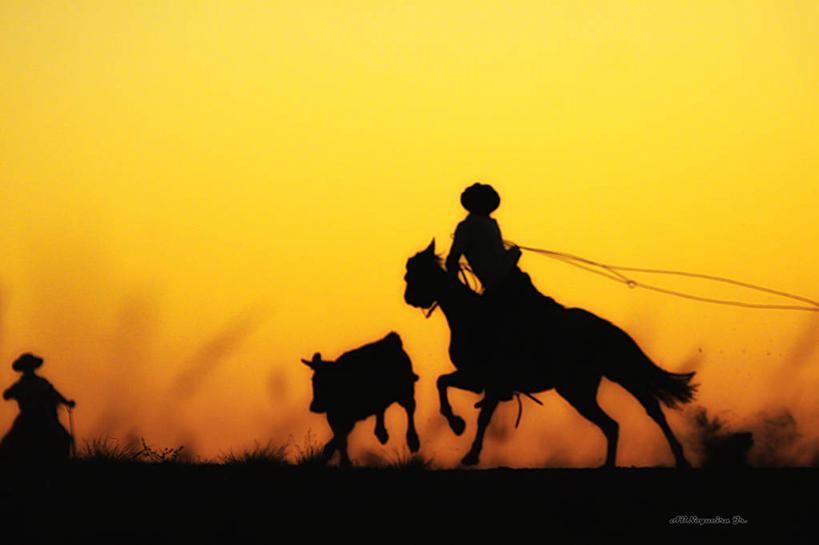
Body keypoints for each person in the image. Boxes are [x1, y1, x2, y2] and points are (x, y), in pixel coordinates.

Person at [445, 184, 564, 398]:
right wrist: (513, 255)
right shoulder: (488, 225)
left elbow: (454, 260)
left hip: (500, 288)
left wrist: (452, 286)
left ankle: (500, 377)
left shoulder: (467, 227)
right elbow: (496, 261)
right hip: (512, 282)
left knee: (490, 331)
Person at [0, 353, 75, 464]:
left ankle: (61, 462)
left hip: (43, 416)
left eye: (30, 366)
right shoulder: (22, 384)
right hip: (27, 416)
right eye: (26, 366)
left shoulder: (41, 382)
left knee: (63, 437)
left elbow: (54, 393)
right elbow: (6, 395)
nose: (28, 369)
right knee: (9, 443)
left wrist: (66, 402)